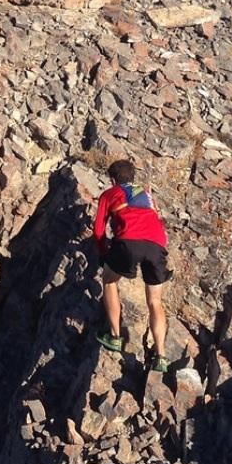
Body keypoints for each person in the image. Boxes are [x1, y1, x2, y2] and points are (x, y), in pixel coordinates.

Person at [91, 157, 173, 372]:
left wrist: (103, 254)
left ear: (112, 179)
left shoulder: (109, 194)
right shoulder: (147, 194)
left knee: (109, 281)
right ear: (133, 177)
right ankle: (161, 357)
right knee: (155, 301)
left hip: (129, 241)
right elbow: (157, 221)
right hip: (157, 244)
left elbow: (98, 230)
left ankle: (115, 336)